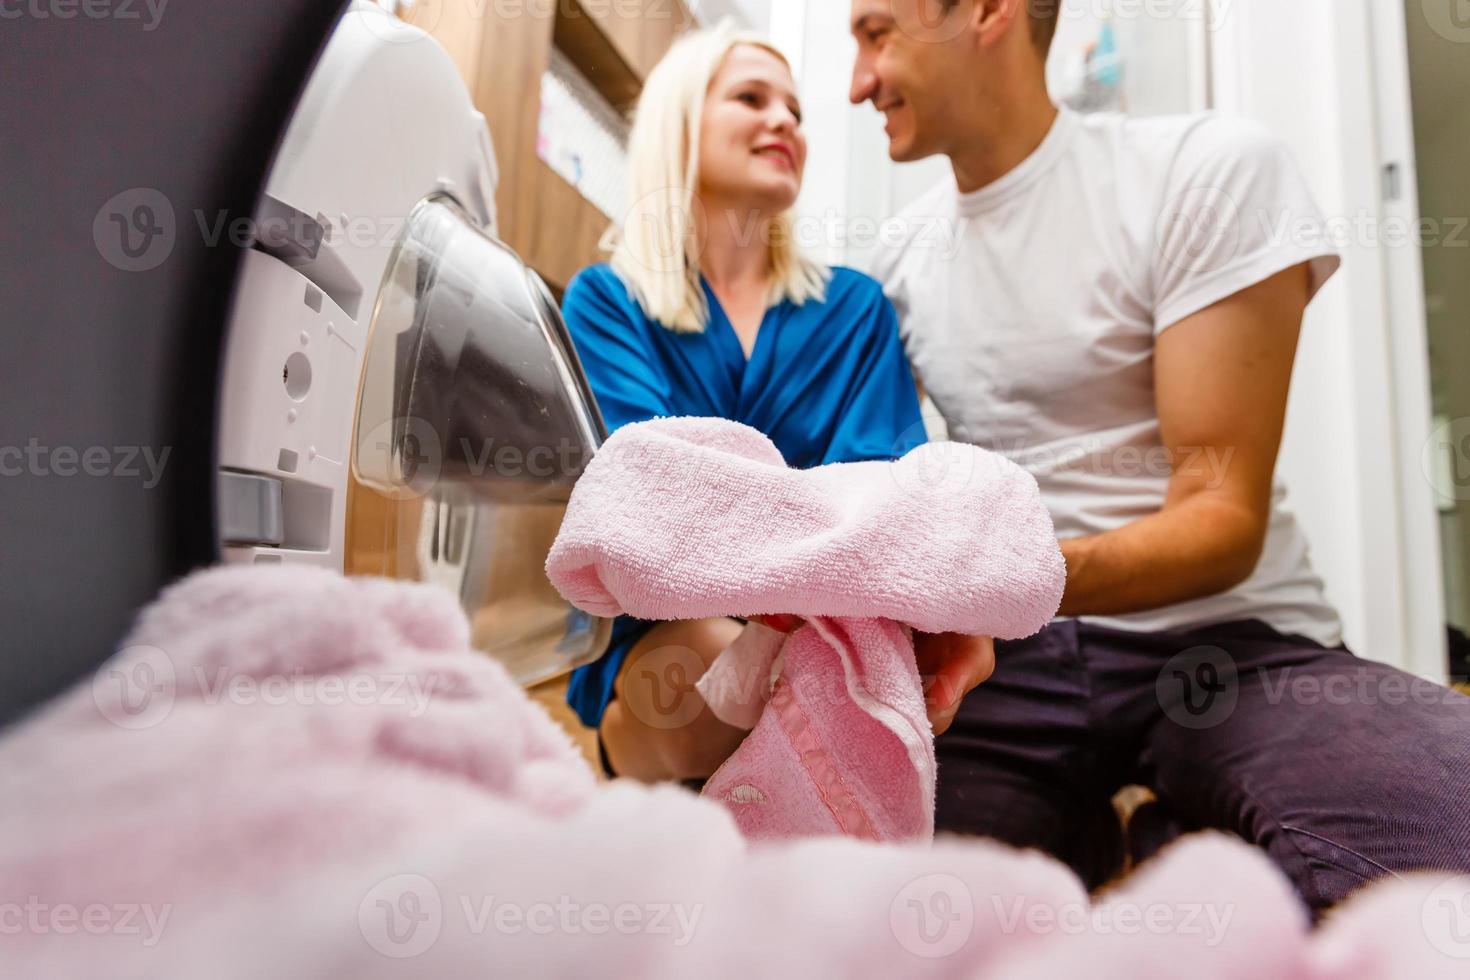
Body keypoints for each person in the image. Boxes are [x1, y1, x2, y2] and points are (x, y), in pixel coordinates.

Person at [852, 0, 1470, 909]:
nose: (858, 81)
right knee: (877, 918)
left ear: (985, 13)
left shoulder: (1203, 170)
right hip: (1005, 668)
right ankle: (1145, 833)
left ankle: (1172, 831)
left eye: (876, 35)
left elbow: (1219, 522)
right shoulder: (896, 263)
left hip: (1233, 641)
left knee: (1440, 847)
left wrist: (997, 576)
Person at [561, 23, 997, 784]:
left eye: (795, 110)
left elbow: (881, 491)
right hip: (667, 632)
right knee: (729, 678)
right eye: (751, 99)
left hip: (833, 629)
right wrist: (800, 549)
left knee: (828, 668)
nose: (784, 122)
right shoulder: (609, 300)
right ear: (682, 123)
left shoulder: (855, 308)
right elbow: (649, 500)